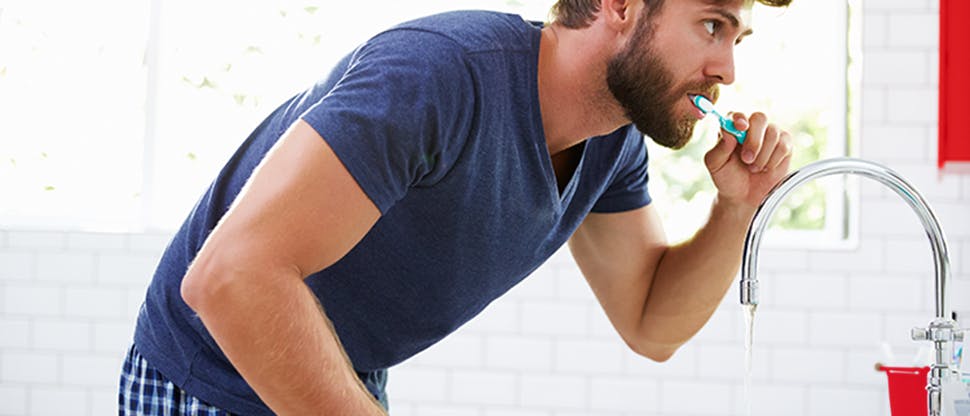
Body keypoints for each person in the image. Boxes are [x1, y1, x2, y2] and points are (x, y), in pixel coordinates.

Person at [119, 0, 795, 414]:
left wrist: (737, 210)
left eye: (737, 39)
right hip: (205, 382)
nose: (728, 68)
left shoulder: (610, 142)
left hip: (335, 370)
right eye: (713, 25)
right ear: (620, 3)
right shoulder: (437, 77)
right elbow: (229, 278)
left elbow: (652, 324)